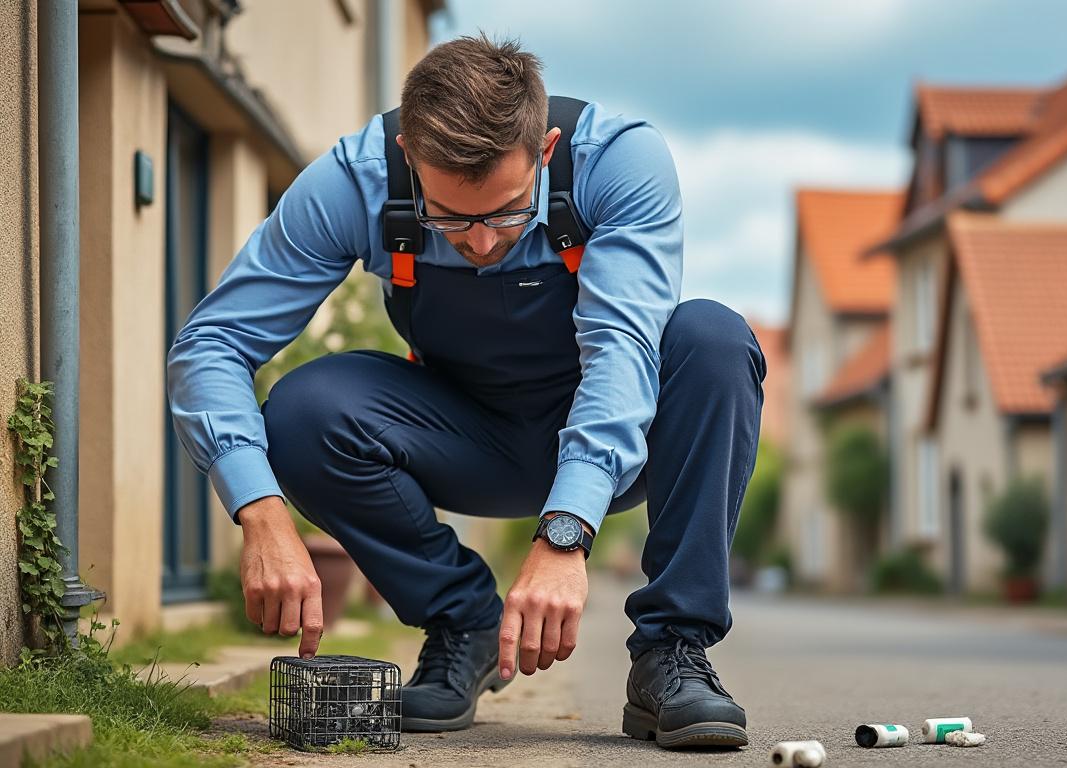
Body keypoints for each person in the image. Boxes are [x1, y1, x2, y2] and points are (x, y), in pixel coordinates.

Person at [165, 34, 765, 750]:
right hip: (465, 437)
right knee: (302, 411)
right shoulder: (356, 179)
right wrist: (259, 511)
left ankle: (671, 650)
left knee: (714, 340)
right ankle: (462, 623)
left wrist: (565, 530)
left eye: (506, 212)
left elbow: (622, 350)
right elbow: (211, 344)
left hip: (615, 440)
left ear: (543, 152)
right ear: (411, 157)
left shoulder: (618, 160)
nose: (479, 243)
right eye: (449, 218)